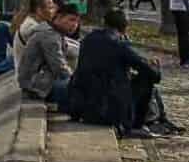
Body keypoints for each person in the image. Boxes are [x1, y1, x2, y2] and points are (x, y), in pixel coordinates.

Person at [68, 10, 164, 138]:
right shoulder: (119, 46)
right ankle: (135, 124)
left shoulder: (88, 40)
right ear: (124, 28)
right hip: (109, 111)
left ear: (104, 23)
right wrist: (154, 66)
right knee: (145, 79)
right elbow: (153, 75)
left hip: (84, 107)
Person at [19, 2, 81, 108]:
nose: (74, 25)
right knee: (82, 91)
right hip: (37, 85)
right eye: (71, 20)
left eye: (77, 22)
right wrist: (76, 80)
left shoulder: (54, 32)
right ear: (59, 17)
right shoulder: (49, 36)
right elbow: (60, 68)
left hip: (39, 82)